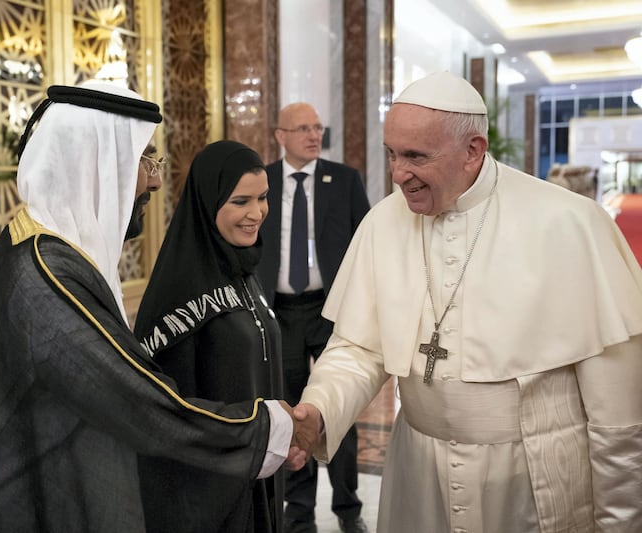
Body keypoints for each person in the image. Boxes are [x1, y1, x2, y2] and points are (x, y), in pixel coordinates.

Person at [0, 81, 298, 533]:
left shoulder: (49, 249)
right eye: (142, 161)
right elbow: (137, 399)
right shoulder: (46, 275)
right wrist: (268, 429)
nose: (156, 179)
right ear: (95, 166)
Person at [291, 71, 642, 532]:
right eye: (392, 154)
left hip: (531, 477)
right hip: (417, 472)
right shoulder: (382, 223)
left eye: (416, 156)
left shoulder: (570, 223)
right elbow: (359, 347)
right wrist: (318, 410)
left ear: (473, 150)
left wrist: (621, 522)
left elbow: (618, 421)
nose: (398, 175)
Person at [134, 140, 284, 533]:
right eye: (240, 202)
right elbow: (167, 415)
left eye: (263, 198)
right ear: (208, 203)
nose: (257, 213)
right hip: (211, 494)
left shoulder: (243, 269)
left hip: (256, 467)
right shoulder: (179, 290)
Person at [258, 103, 371, 533]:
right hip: (279, 312)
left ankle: (348, 509)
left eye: (317, 127)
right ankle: (299, 511)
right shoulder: (262, 180)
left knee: (337, 409)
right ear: (279, 135)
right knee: (293, 413)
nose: (313, 135)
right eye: (302, 128)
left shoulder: (343, 180)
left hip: (330, 311)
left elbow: (365, 244)